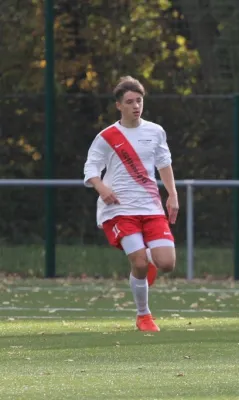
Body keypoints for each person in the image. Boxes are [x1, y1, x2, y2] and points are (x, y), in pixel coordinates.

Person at [83, 76, 179, 332]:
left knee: (167, 263)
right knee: (138, 263)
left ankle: (151, 257)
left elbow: (164, 163)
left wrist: (172, 195)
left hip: (150, 207)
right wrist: (101, 187)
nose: (136, 106)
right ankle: (143, 315)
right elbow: (91, 168)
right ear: (119, 106)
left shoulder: (155, 131)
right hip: (119, 209)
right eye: (130, 101)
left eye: (139, 100)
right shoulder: (107, 136)